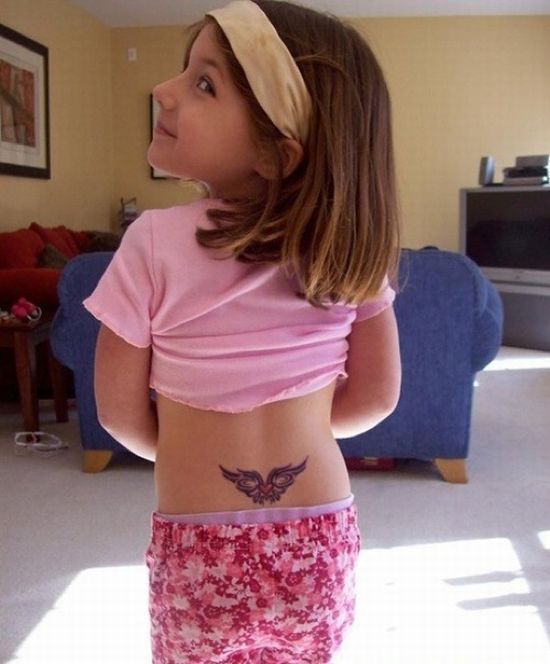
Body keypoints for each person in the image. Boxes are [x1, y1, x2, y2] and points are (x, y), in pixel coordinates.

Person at [83, 1, 401, 661]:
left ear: (276, 153)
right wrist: (304, 427)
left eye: (204, 83)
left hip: (196, 547)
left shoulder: (150, 240)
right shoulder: (348, 253)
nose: (163, 90)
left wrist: (186, 448)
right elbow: (376, 398)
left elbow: (117, 412)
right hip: (318, 537)